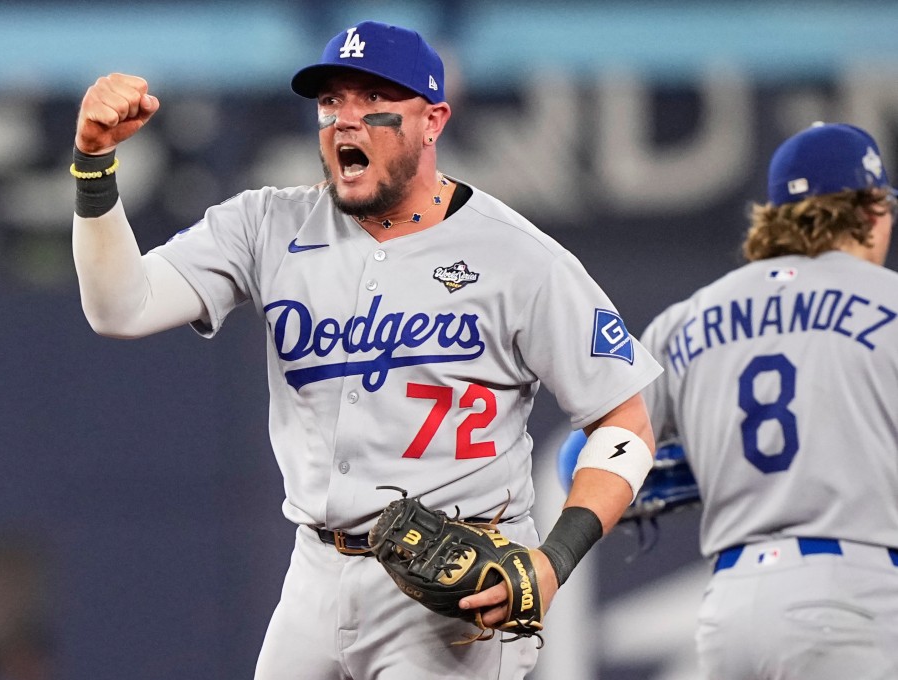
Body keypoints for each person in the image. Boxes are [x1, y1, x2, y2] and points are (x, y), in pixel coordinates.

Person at [70, 20, 662, 679]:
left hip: (449, 593)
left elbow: (627, 424)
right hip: (314, 574)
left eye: (373, 101)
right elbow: (121, 307)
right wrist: (94, 166)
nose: (346, 121)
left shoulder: (518, 257)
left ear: (432, 120)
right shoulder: (267, 224)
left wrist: (553, 561)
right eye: (331, 102)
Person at [638, 122, 898, 679]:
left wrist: (686, 471)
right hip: (853, 594)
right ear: (874, 211)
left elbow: (581, 462)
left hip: (730, 610)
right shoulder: (890, 302)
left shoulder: (684, 319)